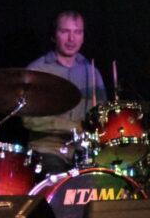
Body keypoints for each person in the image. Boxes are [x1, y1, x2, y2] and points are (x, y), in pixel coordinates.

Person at [23, 10, 107, 174]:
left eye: (77, 32)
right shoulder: (37, 71)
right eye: (65, 32)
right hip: (48, 150)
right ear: (54, 35)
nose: (71, 39)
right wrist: (73, 127)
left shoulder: (92, 73)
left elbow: (103, 116)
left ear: (83, 36)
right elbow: (29, 119)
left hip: (83, 152)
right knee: (58, 178)